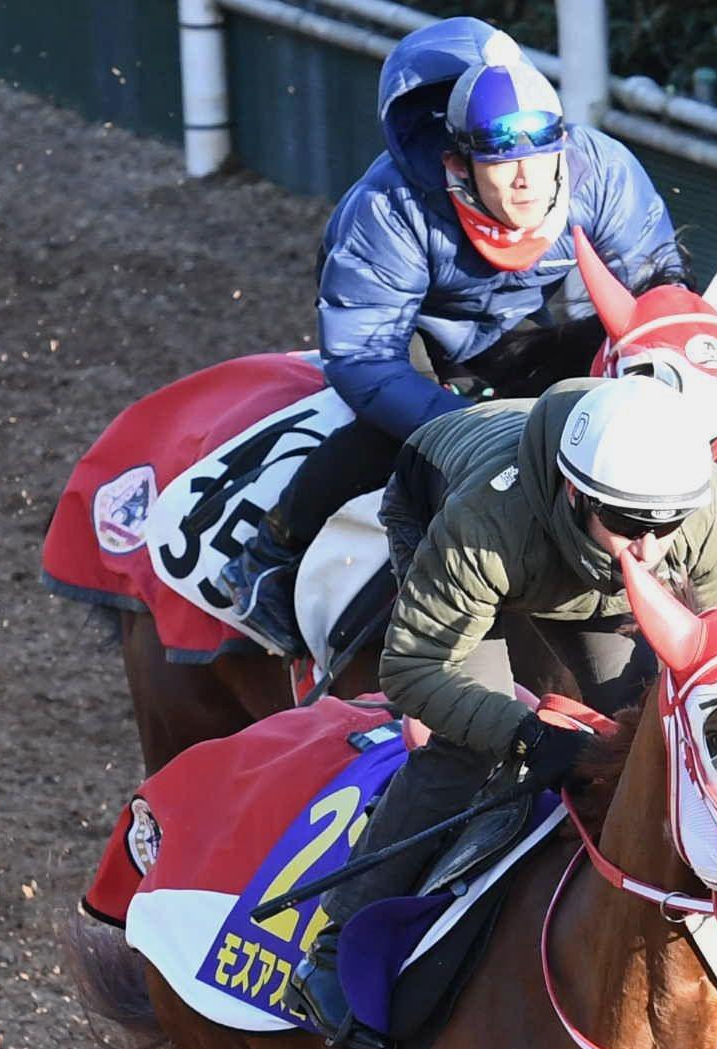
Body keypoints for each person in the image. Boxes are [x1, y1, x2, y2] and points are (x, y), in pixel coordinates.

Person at [290, 374, 717, 1049]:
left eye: (666, 527)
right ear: (576, 492)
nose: (649, 550)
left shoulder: (708, 511)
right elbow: (416, 671)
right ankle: (334, 953)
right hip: (455, 514)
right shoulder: (485, 522)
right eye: (629, 526)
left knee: (647, 735)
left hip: (579, 575)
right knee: (465, 749)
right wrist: (526, 734)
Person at [219, 16, 687, 656]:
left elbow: (656, 295)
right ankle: (270, 555)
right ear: (456, 160)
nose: (525, 178)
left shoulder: (601, 171)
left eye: (538, 151)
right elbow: (364, 361)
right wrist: (469, 423)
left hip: (523, 321)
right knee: (393, 435)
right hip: (414, 334)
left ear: (562, 144)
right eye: (500, 155)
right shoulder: (387, 210)